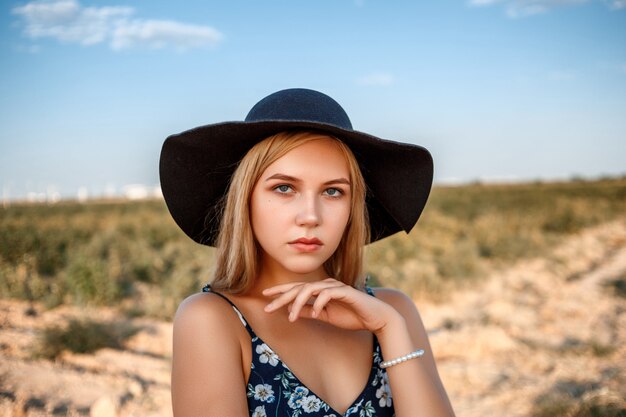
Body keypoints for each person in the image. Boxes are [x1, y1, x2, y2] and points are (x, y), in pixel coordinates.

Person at [160, 88, 455, 417]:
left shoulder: (393, 312)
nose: (311, 216)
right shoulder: (213, 321)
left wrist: (390, 330)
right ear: (246, 200)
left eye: (333, 191)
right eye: (284, 188)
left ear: (352, 207)